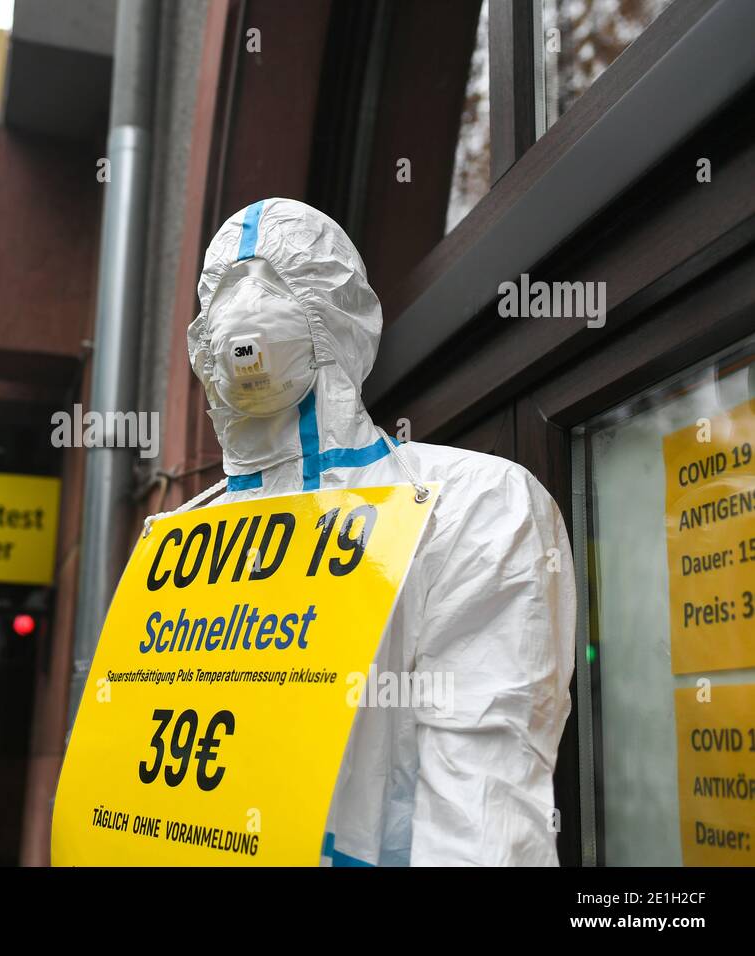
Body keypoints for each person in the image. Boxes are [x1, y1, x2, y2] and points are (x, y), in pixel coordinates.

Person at [184, 198, 576, 865]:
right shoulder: (185, 537)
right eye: (222, 286)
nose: (241, 308)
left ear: (337, 311)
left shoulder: (471, 507)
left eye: (277, 281)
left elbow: (483, 810)